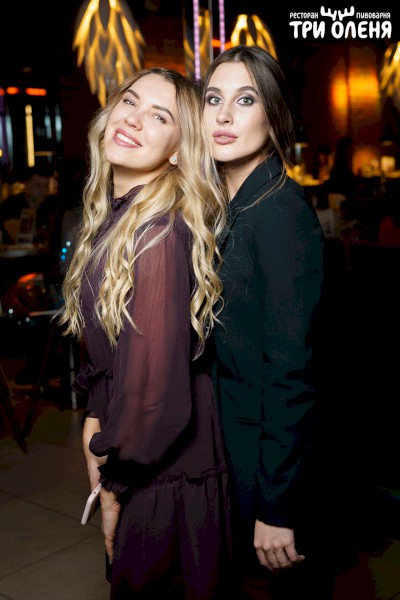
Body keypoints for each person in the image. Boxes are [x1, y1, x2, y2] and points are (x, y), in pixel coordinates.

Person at [57, 67, 232, 598]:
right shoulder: (116, 215)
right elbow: (110, 353)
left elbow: (156, 395)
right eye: (130, 102)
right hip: (137, 451)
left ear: (179, 149)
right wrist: (94, 415)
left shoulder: (159, 232)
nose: (133, 119)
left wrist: (114, 483)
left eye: (159, 116)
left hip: (163, 467)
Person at [202, 45, 339, 599]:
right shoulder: (233, 205)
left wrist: (276, 507)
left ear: (273, 115)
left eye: (245, 100)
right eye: (213, 99)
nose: (224, 115)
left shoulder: (280, 213)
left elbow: (292, 373)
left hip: (269, 469)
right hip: (236, 453)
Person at [0, 164, 60, 245]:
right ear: (26, 184)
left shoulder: (51, 205)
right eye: (38, 185)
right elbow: (18, 235)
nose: (43, 190)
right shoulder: (11, 204)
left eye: (46, 186)